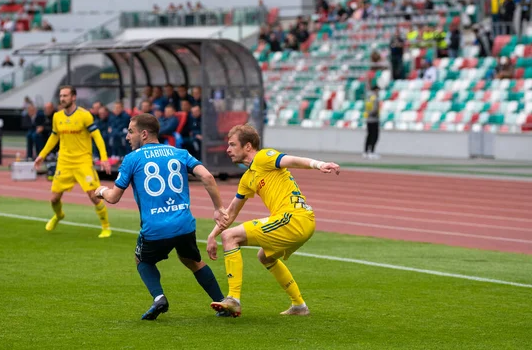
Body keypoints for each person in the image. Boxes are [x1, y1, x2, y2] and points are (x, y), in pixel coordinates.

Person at [94, 113, 229, 320]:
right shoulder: (180, 153)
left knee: (142, 260)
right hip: (184, 225)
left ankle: (159, 298)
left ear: (144, 134)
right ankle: (222, 302)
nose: (128, 137)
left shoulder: (132, 159)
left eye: (131, 132)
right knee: (192, 260)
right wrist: (219, 207)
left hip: (155, 227)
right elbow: (207, 176)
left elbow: (113, 198)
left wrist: (101, 190)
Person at [207, 124, 340, 318]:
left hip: (294, 218)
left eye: (232, 144)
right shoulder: (247, 178)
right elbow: (231, 212)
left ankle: (233, 299)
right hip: (299, 222)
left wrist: (318, 164)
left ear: (248, 146)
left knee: (230, 236)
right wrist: (212, 235)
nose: (228, 149)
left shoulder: (263, 156)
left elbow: (291, 160)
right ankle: (299, 305)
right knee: (265, 257)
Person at [33, 86, 113, 238]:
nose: (62, 98)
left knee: (94, 195)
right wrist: (42, 155)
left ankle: (106, 227)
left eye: (65, 95)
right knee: (54, 198)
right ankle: (59, 215)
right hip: (64, 162)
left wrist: (104, 157)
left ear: (73, 97)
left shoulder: (85, 115)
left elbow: (97, 136)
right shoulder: (57, 116)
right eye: (61, 96)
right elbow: (54, 136)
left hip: (83, 161)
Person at [363, 86, 381, 160]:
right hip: (374, 119)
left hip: (368, 119)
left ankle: (366, 151)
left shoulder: (368, 98)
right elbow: (375, 109)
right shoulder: (375, 98)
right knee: (374, 136)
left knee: (369, 136)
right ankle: (372, 151)